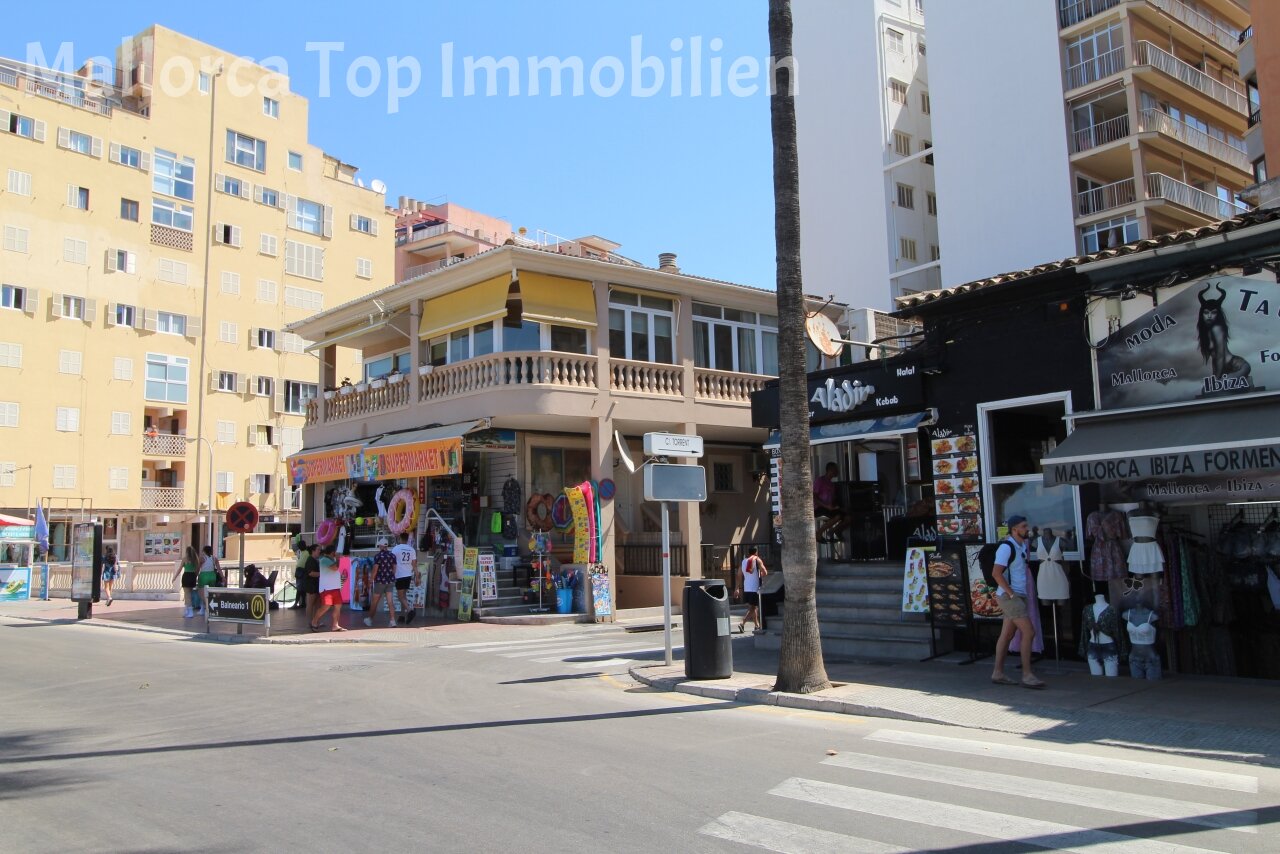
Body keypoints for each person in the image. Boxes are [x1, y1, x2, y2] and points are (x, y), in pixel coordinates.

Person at [990, 515, 1045, 689]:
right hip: (1010, 596)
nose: (1026, 529)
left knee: (1007, 635)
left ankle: (998, 673)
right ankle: (1027, 675)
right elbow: (996, 573)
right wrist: (1011, 593)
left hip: (1018, 595)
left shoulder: (1021, 546)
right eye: (1023, 526)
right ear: (1014, 529)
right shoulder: (1006, 547)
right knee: (1029, 632)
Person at [310, 545, 346, 632]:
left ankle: (335, 625)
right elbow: (335, 568)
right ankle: (314, 622)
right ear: (333, 552)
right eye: (336, 553)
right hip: (327, 588)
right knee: (326, 607)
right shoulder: (324, 560)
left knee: (338, 606)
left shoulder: (332, 560)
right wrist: (338, 559)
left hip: (335, 587)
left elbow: (336, 570)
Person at [365, 539, 399, 628]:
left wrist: (370, 580)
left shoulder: (378, 556)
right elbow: (394, 568)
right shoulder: (392, 556)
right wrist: (391, 576)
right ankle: (392, 621)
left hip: (380, 581)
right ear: (387, 546)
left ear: (380, 546)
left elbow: (375, 570)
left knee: (375, 601)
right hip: (390, 580)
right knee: (390, 601)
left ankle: (369, 619)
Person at [735, 547, 768, 634]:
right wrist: (761, 574)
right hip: (755, 587)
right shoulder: (757, 560)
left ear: (748, 553)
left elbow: (739, 575)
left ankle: (757, 625)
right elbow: (765, 572)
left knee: (753, 607)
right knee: (753, 607)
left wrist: (737, 588)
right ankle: (742, 623)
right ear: (756, 552)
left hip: (747, 588)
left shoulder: (743, 562)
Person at [813, 462, 847, 543]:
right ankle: (818, 533)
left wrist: (837, 506)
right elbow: (814, 497)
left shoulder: (832, 485)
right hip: (818, 508)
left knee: (848, 517)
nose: (837, 472)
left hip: (829, 508)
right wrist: (826, 506)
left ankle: (834, 531)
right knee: (837, 516)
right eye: (836, 470)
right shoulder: (820, 481)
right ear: (831, 470)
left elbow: (832, 500)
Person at [391, 532, 419, 624]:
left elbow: (392, 562)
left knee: (400, 597)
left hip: (399, 575)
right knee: (404, 596)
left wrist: (391, 574)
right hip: (408, 575)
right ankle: (402, 616)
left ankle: (410, 610)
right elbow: (414, 565)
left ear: (400, 538)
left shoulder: (396, 549)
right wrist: (417, 576)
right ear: (407, 539)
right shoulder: (411, 550)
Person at [172, 546, 201, 618]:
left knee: (187, 595)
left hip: (186, 576)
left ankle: (190, 612)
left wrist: (174, 577)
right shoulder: (196, 559)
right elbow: (198, 569)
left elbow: (179, 569)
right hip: (193, 576)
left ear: (187, 552)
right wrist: (195, 576)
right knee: (189, 594)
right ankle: (187, 611)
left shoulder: (185, 559)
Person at [197, 545, 220, 614]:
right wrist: (223, 577)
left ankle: (205, 607)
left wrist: (195, 575)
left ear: (204, 551)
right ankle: (209, 606)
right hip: (212, 575)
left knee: (201, 592)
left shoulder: (202, 558)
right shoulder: (214, 558)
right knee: (210, 592)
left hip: (204, 576)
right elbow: (219, 569)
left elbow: (198, 568)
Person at [303, 542, 322, 626]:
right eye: (318, 550)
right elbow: (310, 573)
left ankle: (315, 620)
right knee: (310, 604)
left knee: (317, 604)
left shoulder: (316, 560)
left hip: (316, 585)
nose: (319, 551)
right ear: (313, 551)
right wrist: (321, 574)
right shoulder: (310, 560)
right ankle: (310, 621)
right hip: (311, 585)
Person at [291, 536, 309, 610]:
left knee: (300, 589)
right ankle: (302, 603)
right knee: (301, 589)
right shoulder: (301, 552)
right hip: (299, 572)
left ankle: (297, 603)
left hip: (302, 572)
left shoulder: (307, 553)